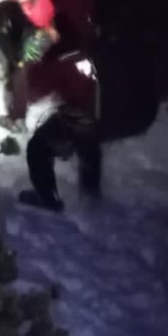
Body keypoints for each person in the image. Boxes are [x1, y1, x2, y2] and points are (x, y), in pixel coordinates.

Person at [0, 0, 96, 131]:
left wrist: (22, 0)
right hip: (78, 31)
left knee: (23, 64)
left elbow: (39, 15)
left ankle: (17, 117)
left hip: (54, 30)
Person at [15, 45, 101, 212]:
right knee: (89, 143)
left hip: (82, 117)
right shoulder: (92, 44)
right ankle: (92, 196)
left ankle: (48, 199)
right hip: (113, 116)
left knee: (37, 148)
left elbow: (36, 91)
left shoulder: (65, 56)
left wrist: (33, 65)